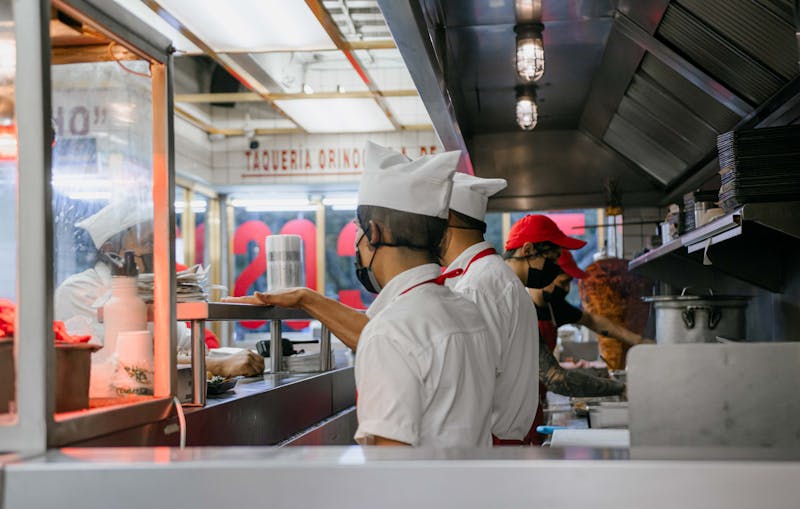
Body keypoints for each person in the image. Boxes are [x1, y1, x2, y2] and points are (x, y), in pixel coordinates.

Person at [226, 142, 495, 447]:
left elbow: (388, 464)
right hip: (471, 488)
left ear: (374, 233)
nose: (355, 243)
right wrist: (306, 298)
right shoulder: (466, 311)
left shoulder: (390, 333)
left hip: (421, 495)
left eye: (357, 230)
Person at [54, 201, 263, 380]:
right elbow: (120, 362)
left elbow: (190, 346)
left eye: (162, 242)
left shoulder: (150, 291)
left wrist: (217, 359)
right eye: (149, 242)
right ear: (110, 251)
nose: (159, 251)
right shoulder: (79, 291)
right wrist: (218, 365)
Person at [438, 173, 539, 444]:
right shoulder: (489, 275)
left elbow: (468, 385)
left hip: (490, 450)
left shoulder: (477, 287)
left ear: (446, 219)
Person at [503, 215, 624, 400]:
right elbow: (555, 378)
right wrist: (620, 388)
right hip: (503, 418)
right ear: (527, 250)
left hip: (524, 407)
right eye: (551, 261)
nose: (553, 270)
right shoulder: (504, 296)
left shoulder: (517, 297)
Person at [531, 250, 654, 353]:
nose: (567, 289)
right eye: (563, 282)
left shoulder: (554, 308)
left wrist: (639, 341)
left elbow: (592, 320)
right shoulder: (522, 307)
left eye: (569, 283)